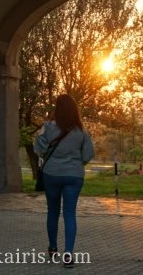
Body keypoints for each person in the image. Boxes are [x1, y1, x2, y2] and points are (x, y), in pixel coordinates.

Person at [34, 94, 95, 268]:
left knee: (52, 211)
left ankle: (53, 248)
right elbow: (88, 154)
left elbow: (39, 149)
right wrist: (76, 164)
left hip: (51, 174)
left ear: (57, 109)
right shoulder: (81, 131)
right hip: (74, 176)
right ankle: (68, 255)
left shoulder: (47, 127)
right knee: (70, 214)